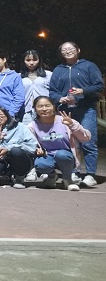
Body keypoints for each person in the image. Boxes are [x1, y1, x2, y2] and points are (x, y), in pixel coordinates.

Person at [49, 41, 103, 187]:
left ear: (78, 50)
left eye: (71, 48)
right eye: (64, 50)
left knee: (88, 140)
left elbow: (99, 86)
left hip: (85, 109)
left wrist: (83, 91)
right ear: (61, 53)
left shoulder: (89, 66)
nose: (68, 51)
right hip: (66, 110)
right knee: (70, 142)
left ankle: (90, 174)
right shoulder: (58, 70)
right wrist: (59, 98)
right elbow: (52, 91)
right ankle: (74, 171)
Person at [27, 96, 91, 191]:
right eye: (40, 106)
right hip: (47, 156)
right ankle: (51, 176)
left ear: (53, 107)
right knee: (40, 164)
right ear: (35, 109)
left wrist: (72, 125)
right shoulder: (32, 126)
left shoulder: (65, 121)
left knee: (62, 155)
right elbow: (29, 144)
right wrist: (36, 149)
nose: (44, 109)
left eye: (47, 106)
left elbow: (85, 138)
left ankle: (67, 179)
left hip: (66, 157)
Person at [0, 105, 37, 189]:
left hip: (21, 157)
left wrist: (8, 149)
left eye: (1, 115)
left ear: (7, 115)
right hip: (2, 158)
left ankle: (19, 178)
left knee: (15, 151)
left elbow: (31, 145)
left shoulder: (20, 127)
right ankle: (8, 174)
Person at [0, 51, 25, 121]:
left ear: (4, 60)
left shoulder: (14, 76)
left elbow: (19, 97)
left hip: (6, 112)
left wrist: (11, 113)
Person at [20, 50, 52, 124]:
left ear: (39, 60)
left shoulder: (48, 75)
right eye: (28, 60)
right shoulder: (19, 77)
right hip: (27, 112)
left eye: (34, 60)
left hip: (45, 110)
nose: (31, 63)